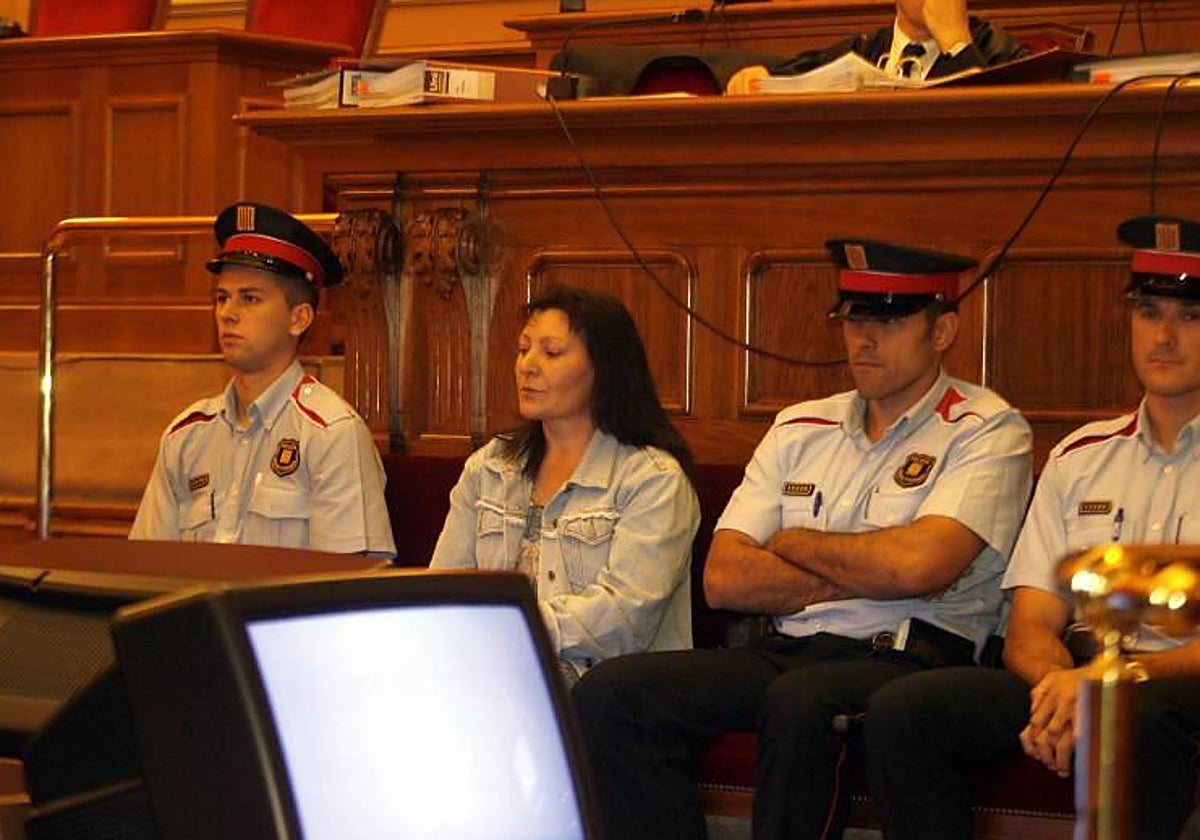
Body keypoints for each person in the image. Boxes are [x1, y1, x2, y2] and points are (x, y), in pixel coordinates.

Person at [572, 240, 1033, 840]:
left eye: (890, 322)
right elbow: (724, 580)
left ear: (942, 331)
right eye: (855, 321)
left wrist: (791, 543)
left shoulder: (985, 428)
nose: (864, 340)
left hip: (909, 657)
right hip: (788, 648)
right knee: (612, 693)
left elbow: (919, 566)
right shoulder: (800, 426)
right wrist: (870, 564)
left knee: (801, 702)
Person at [865, 215, 1200, 840]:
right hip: (1078, 668)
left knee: (1140, 722)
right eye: (1149, 312)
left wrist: (1107, 684)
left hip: (1178, 682)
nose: (1164, 336)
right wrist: (1060, 686)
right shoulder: (1081, 457)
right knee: (906, 711)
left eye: (1191, 317)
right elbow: (1029, 625)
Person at [429, 284, 700, 684]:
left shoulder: (653, 480)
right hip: (493, 668)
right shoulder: (490, 466)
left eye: (552, 352)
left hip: (608, 690)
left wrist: (510, 627)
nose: (527, 366)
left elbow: (625, 618)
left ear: (604, 368)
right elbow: (445, 584)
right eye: (523, 349)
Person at [130, 202, 395, 557]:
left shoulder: (331, 434)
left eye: (250, 299)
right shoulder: (187, 436)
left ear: (299, 319)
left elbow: (346, 582)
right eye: (222, 298)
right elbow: (146, 567)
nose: (228, 313)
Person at [725, 0, 1028, 94]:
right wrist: (755, 79)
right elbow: (788, 79)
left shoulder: (1004, 55)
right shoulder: (862, 50)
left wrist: (958, 44)